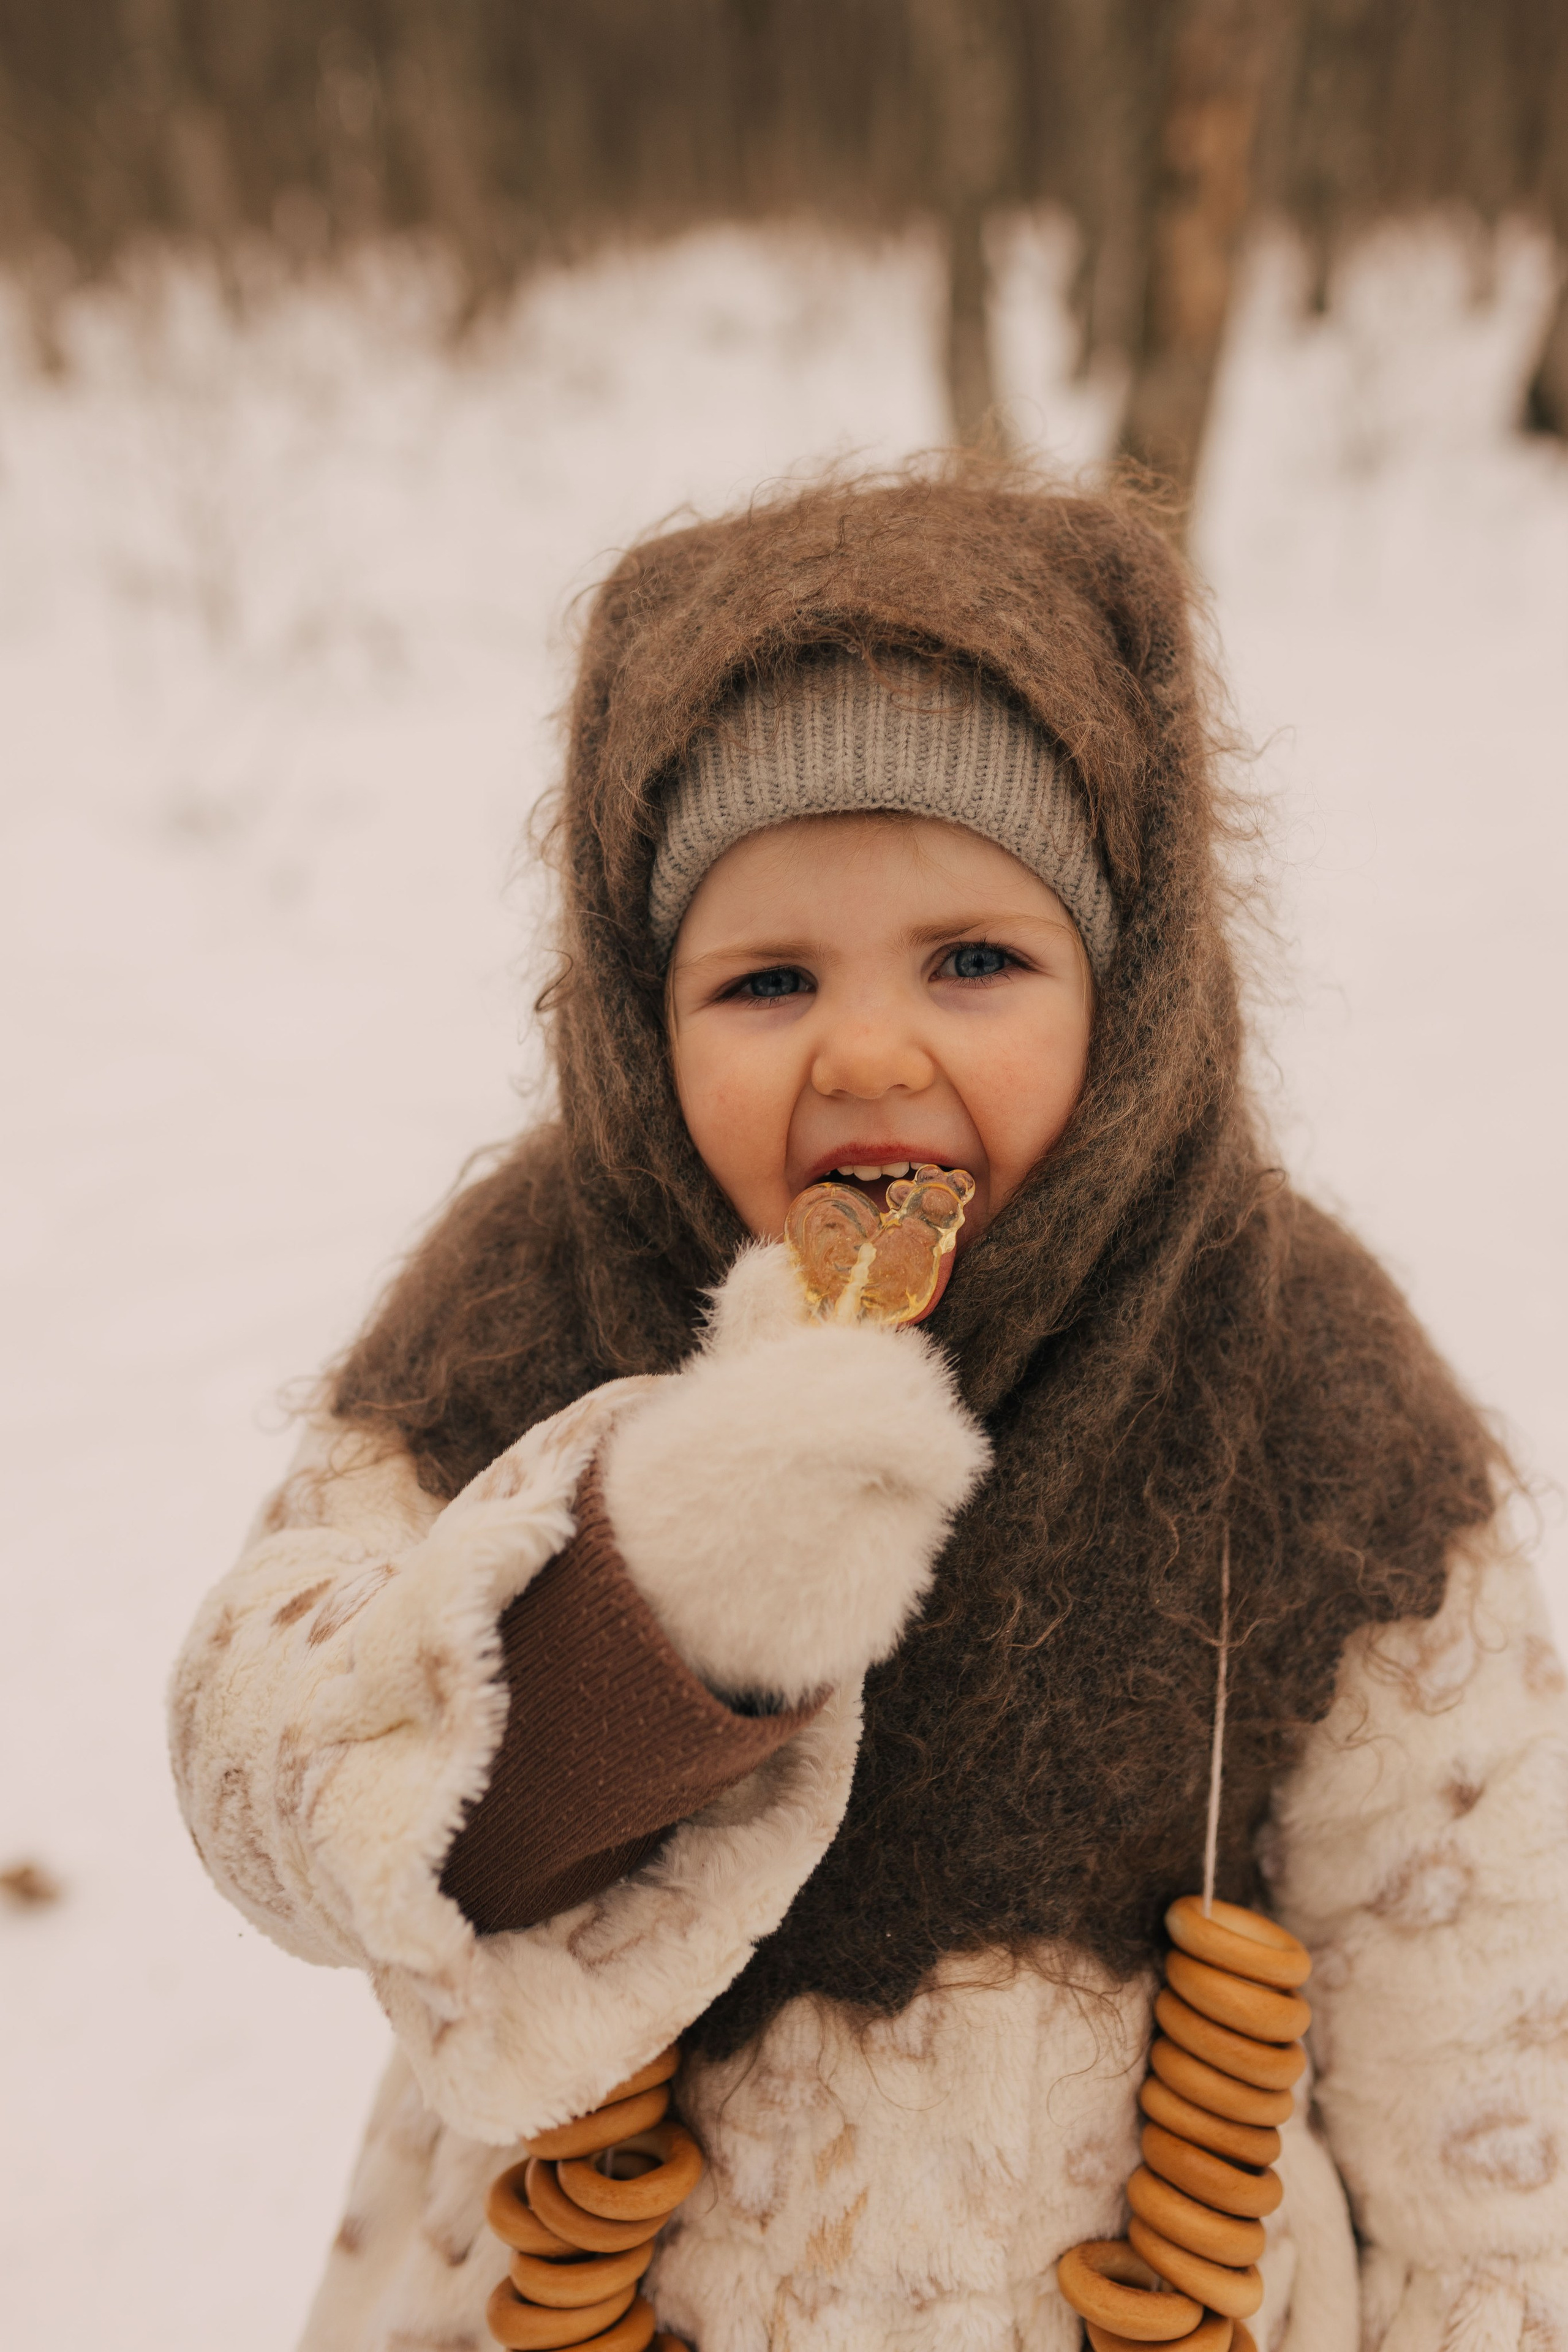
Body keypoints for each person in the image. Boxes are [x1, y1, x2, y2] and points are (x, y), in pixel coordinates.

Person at [170, 471, 1568, 2351]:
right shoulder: (530, 1297)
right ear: (635, 1016)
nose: (871, 1053)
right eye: (766, 980)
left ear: (1132, 983)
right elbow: (262, 1771)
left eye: (975, 961)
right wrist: (647, 1603)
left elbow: (1487, 2016)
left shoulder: (1295, 1377)